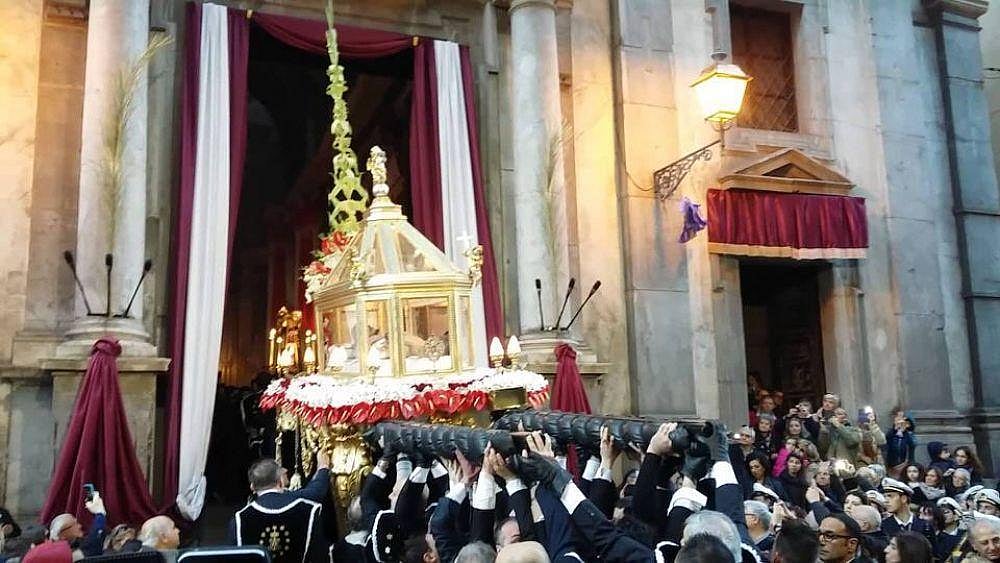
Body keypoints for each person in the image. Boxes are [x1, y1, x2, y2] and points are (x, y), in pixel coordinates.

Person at [229, 452, 332, 563]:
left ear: (252, 487)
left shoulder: (240, 519)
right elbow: (316, 491)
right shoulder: (306, 509)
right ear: (280, 482)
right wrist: (323, 467)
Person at [48, 490, 107, 558]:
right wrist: (100, 514)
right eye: (74, 525)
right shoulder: (67, 555)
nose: (80, 526)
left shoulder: (73, 545)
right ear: (62, 535)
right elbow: (93, 544)